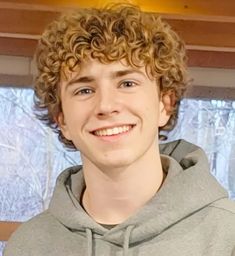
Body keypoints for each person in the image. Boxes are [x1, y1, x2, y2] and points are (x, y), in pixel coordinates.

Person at [4, 4, 235, 256]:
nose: (106, 105)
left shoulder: (226, 235)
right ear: (62, 120)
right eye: (84, 90)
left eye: (127, 83)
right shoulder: (28, 246)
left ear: (164, 104)